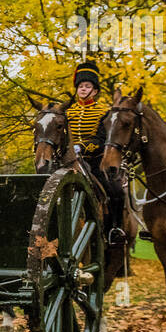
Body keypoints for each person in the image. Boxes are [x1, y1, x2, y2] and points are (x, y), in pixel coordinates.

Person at [66, 59, 124, 244]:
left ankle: (114, 229)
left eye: (87, 86)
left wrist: (82, 148)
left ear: (95, 90)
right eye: (80, 86)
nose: (83, 89)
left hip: (95, 161)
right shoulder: (68, 112)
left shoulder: (103, 112)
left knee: (115, 190)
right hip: (68, 161)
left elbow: (101, 139)